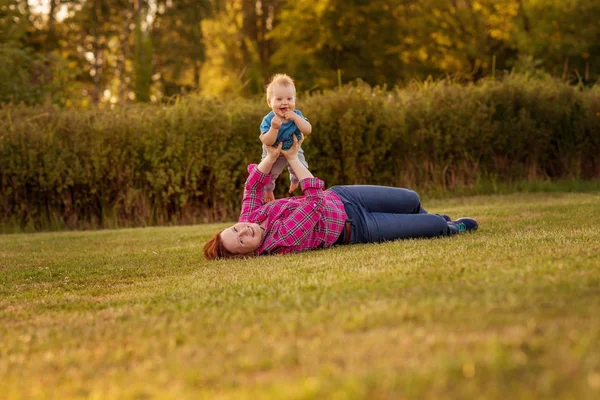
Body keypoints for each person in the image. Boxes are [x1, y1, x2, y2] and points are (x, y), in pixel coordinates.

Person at [202, 134, 479, 260]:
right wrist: (292, 156)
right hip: (357, 227)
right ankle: (448, 226)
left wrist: (272, 155)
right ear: (247, 255)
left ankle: (425, 218)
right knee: (437, 228)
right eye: (241, 241)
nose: (245, 230)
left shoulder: (251, 218)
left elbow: (252, 188)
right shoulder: (280, 241)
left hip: (345, 196)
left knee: (411, 198)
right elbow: (313, 202)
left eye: (236, 228)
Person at [259, 74, 312, 203]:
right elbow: (267, 141)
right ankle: (269, 190)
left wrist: (296, 118)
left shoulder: (297, 115)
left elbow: (308, 130)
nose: (285, 102)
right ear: (269, 102)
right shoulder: (269, 120)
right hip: (274, 152)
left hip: (294, 149)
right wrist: (274, 129)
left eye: (289, 98)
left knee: (302, 168)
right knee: (269, 174)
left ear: (294, 100)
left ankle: (294, 180)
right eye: (279, 99)